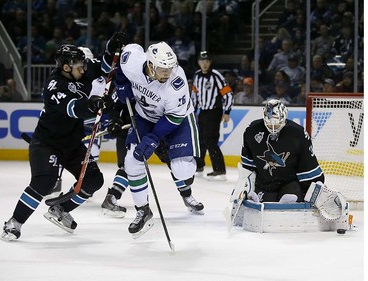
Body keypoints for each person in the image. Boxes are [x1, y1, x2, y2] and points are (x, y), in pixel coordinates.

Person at [0, 45, 109, 241]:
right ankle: (14, 223)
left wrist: (112, 48)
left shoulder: (79, 71)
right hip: (47, 144)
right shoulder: (54, 86)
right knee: (45, 182)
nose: (83, 70)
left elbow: (104, 65)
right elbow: (74, 108)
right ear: (66, 67)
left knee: (94, 180)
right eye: (79, 67)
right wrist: (92, 104)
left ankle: (61, 209)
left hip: (73, 145)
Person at [102, 39, 204, 238]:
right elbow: (123, 63)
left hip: (177, 119)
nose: (168, 73)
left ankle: (181, 171)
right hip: (145, 116)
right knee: (132, 161)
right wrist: (121, 85)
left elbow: (174, 117)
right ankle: (143, 210)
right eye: (163, 69)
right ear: (149, 64)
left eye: (170, 68)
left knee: (182, 170)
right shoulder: (133, 60)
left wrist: (155, 137)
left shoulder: (176, 83)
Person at [234, 99, 324, 203]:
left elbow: (307, 164)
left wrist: (313, 189)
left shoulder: (298, 134)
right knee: (255, 201)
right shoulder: (252, 131)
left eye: (276, 122)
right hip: (263, 184)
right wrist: (245, 188)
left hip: (288, 183)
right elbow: (248, 167)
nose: (273, 127)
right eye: (269, 122)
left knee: (290, 199)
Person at [191, 51, 233, 181]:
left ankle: (219, 169)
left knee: (210, 140)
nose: (204, 63)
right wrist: (194, 111)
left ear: (210, 62)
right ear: (198, 62)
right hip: (202, 112)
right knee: (200, 140)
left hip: (214, 111)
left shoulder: (216, 76)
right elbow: (194, 95)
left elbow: (228, 94)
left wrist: (227, 112)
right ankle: (199, 167)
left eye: (206, 61)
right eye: (202, 61)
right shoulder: (197, 76)